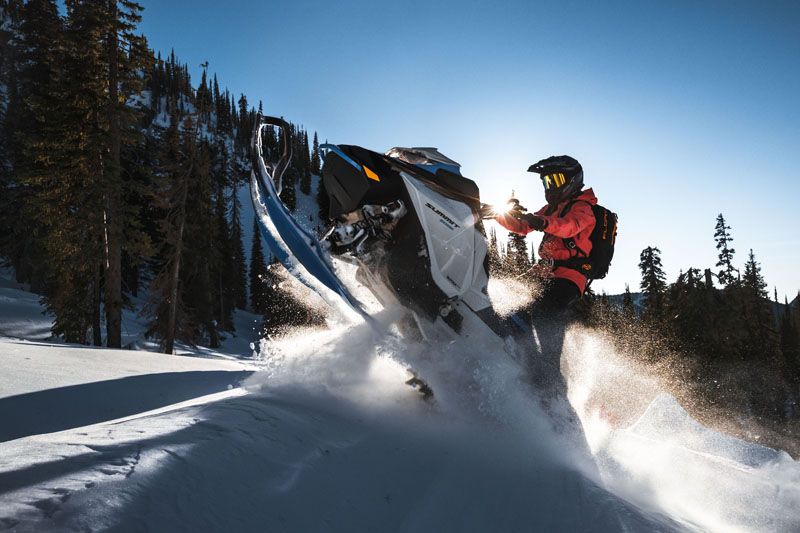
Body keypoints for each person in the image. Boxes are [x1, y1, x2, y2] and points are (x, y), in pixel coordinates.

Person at [486, 155, 599, 400]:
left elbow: (568, 227)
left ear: (572, 180)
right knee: (514, 315)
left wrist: (541, 221)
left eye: (556, 180)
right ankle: (520, 359)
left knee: (546, 311)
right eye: (547, 182)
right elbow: (522, 227)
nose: (551, 186)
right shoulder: (551, 208)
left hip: (570, 276)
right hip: (545, 273)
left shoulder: (584, 208)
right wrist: (496, 214)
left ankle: (550, 380)